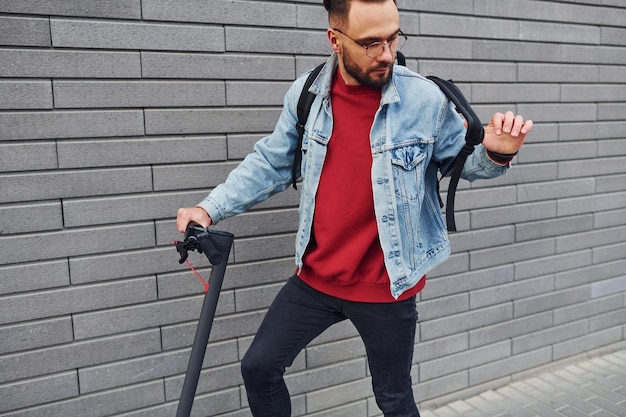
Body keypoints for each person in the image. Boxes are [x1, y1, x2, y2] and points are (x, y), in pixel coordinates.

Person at [176, 0, 533, 415]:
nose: (386, 53)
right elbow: (270, 163)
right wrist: (209, 208)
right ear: (335, 39)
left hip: (387, 285)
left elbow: (463, 163)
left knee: (394, 399)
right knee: (259, 368)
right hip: (316, 277)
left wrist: (498, 154)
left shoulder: (424, 98)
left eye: (392, 37)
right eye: (370, 43)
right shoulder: (307, 94)